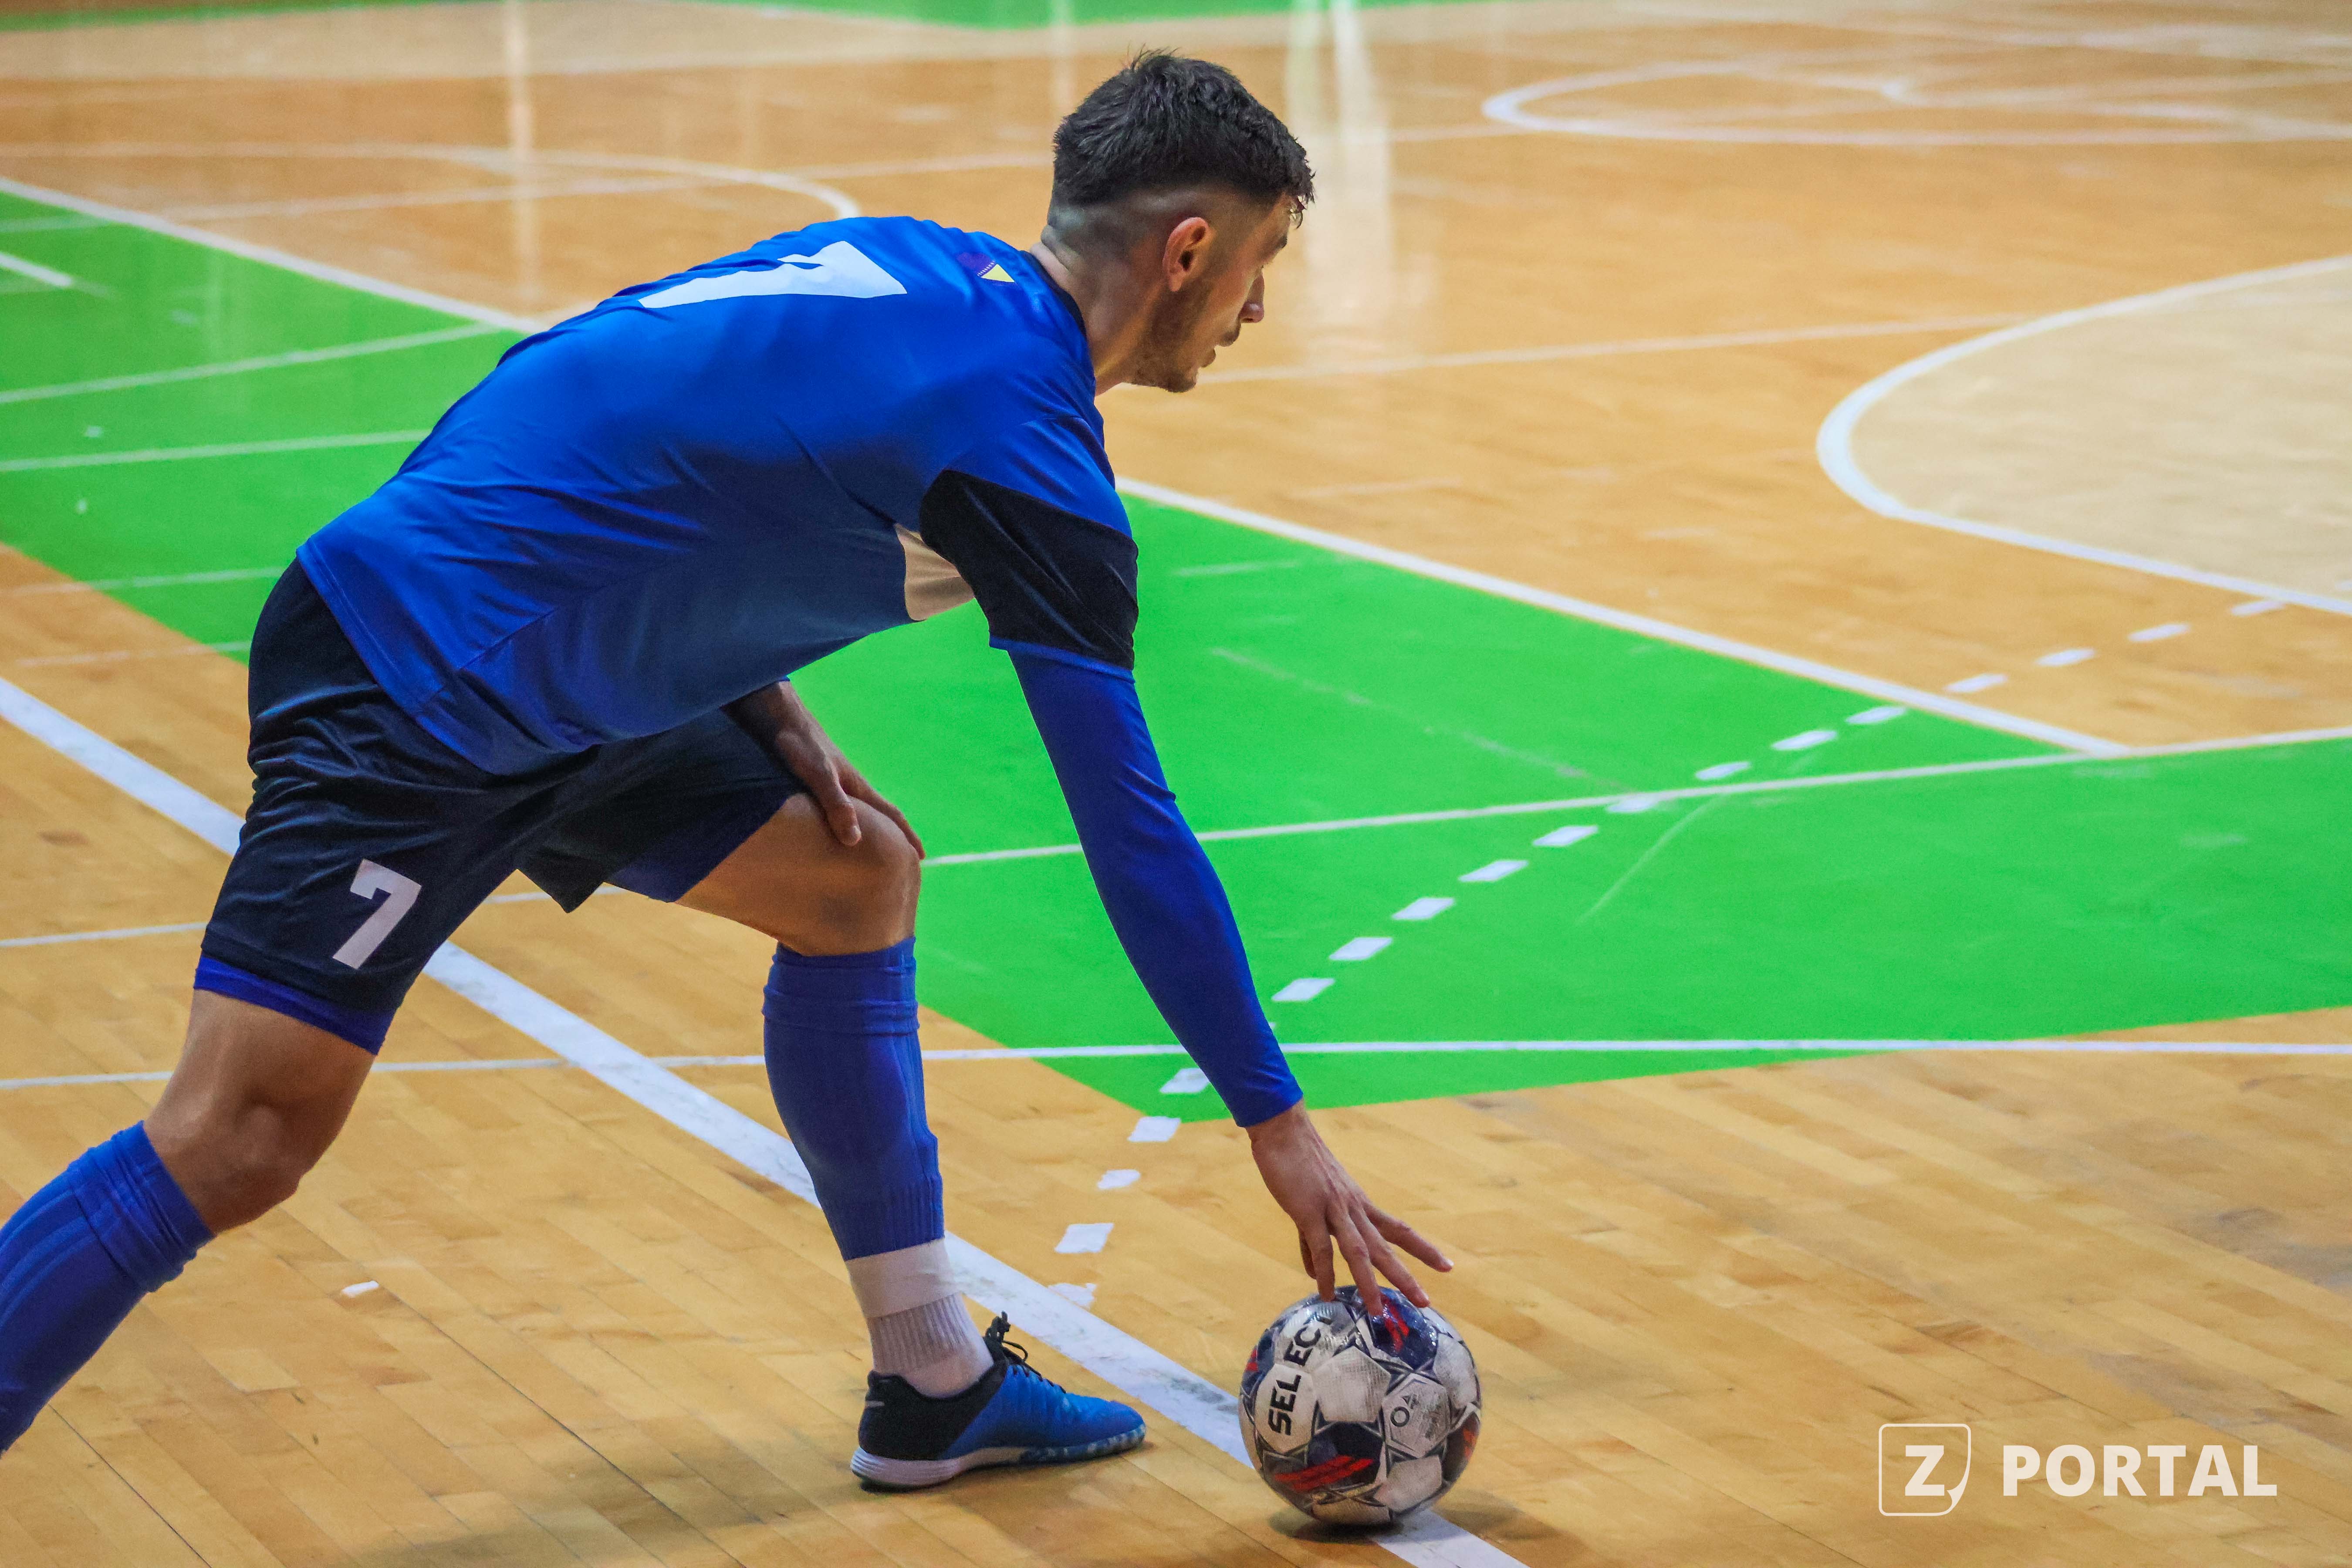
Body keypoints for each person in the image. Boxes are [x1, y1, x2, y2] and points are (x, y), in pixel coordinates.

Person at [0, 51, 1450, 1487]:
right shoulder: (1025, 450)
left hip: (557, 675)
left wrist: (751, 695)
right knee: (242, 1137)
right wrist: (1274, 1120)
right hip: (415, 684)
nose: (1259, 306)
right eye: (1262, 261)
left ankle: (931, 1380)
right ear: (1188, 251)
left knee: (852, 881)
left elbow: (589, 384)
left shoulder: (910, 264)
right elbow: (1129, 831)